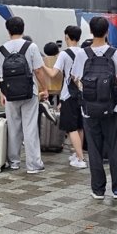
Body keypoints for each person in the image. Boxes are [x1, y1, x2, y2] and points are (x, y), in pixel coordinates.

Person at [71, 16, 117, 199]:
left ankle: (98, 190)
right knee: (115, 147)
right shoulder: (116, 54)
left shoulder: (82, 54)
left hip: (88, 109)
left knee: (94, 149)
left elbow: (75, 79)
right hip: (112, 108)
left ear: (91, 32)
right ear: (107, 32)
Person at [0, 16, 48, 174]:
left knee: (13, 127)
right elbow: (38, 70)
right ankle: (33, 165)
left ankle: (14, 162)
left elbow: (0, 75)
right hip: (29, 92)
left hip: (10, 93)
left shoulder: (1, 50)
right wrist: (44, 88)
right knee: (30, 127)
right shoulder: (30, 47)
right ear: (23, 29)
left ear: (8, 30)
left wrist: (2, 93)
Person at [42, 25, 87, 168]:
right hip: (83, 93)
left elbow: (52, 74)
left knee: (71, 128)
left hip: (69, 95)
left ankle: (80, 159)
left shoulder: (64, 54)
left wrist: (40, 64)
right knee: (80, 126)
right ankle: (77, 154)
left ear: (67, 36)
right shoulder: (85, 52)